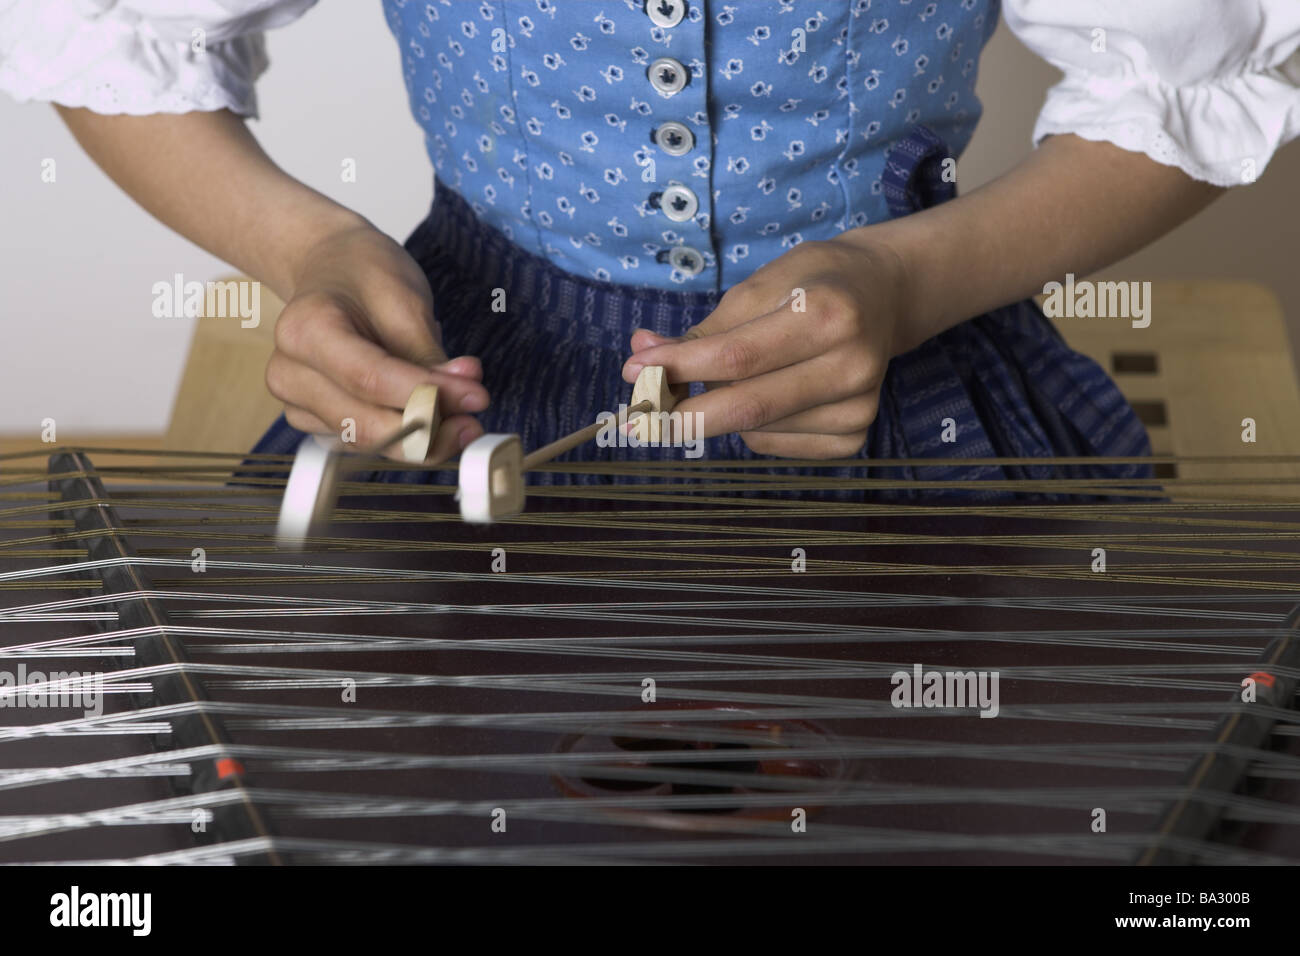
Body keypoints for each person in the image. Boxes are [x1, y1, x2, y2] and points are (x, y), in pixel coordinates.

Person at [3, 1, 1297, 497]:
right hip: (462, 387)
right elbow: (112, 29)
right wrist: (312, 249)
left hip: (914, 382)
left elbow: (1198, 76)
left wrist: (910, 282)